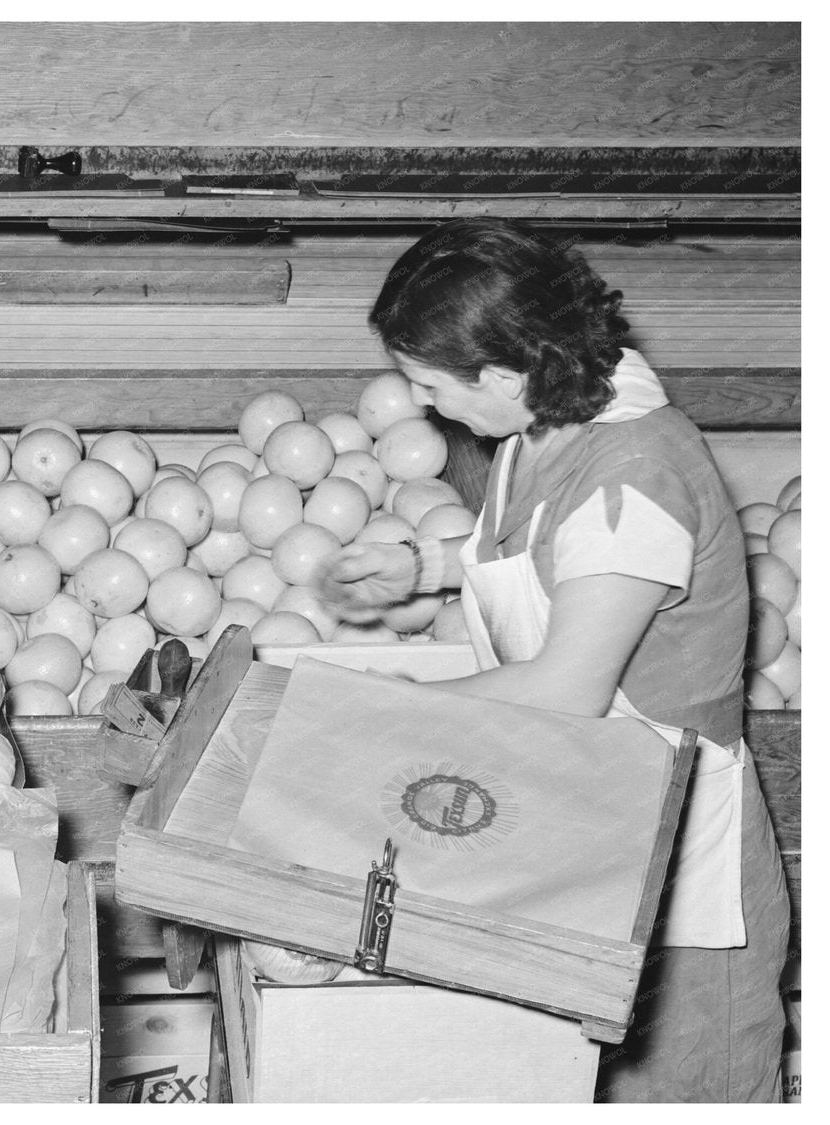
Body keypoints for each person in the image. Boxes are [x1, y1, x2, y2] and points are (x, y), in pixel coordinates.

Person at [318, 217, 790, 1102]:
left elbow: (566, 687)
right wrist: (426, 569)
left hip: (671, 867)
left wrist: (378, 712)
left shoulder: (633, 473)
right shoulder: (539, 429)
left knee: (685, 1090)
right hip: (586, 826)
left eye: (427, 383)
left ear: (500, 372)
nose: (421, 406)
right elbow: (560, 573)